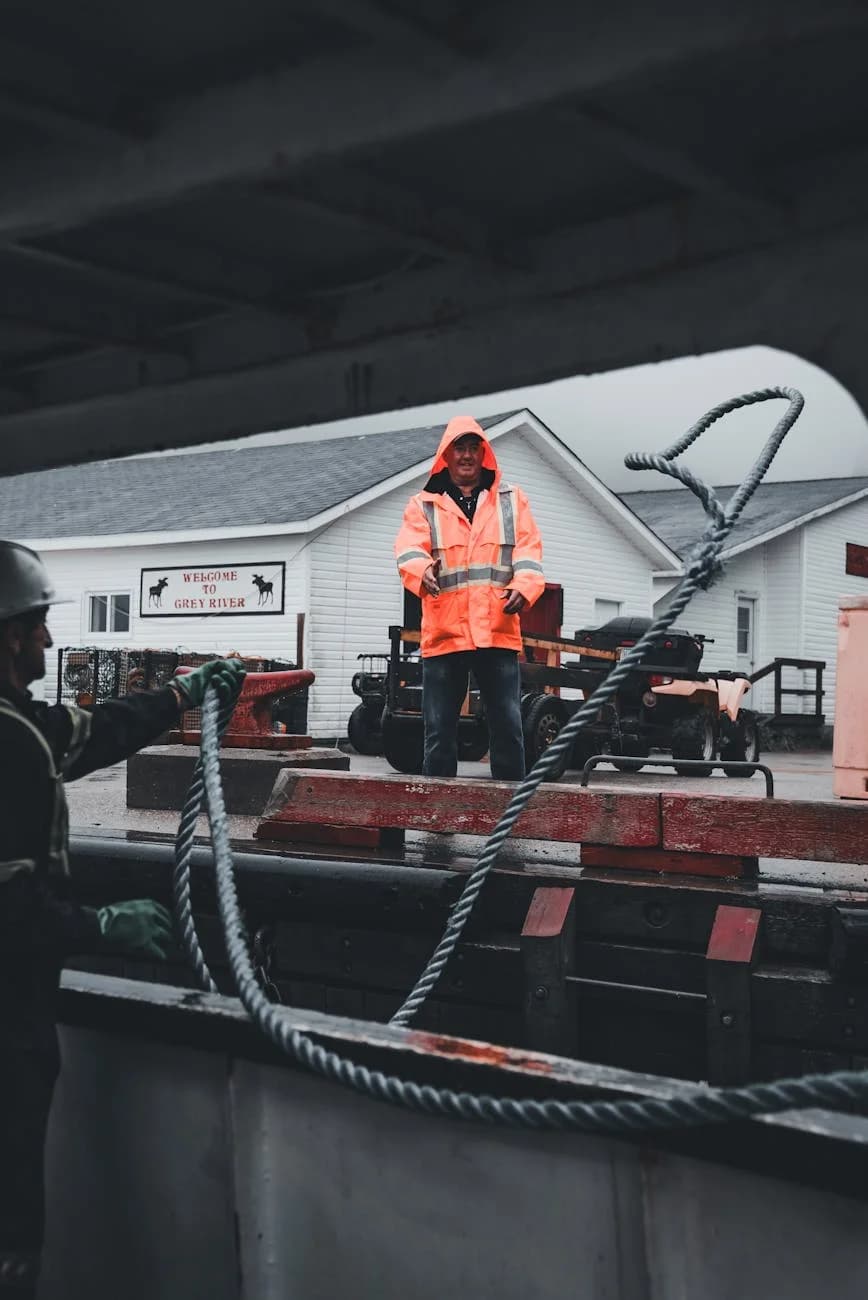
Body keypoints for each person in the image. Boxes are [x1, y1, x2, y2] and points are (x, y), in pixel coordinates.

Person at [0, 540, 245, 1298]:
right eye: (38, 625)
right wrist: (99, 928)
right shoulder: (9, 743)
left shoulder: (22, 727)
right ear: (9, 635)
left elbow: (92, 732)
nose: (49, 640)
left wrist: (181, 694)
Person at [395, 416, 544, 780]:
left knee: (508, 727)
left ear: (483, 453)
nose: (466, 455)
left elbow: (529, 553)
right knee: (438, 731)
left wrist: (524, 587)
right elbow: (409, 550)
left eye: (473, 448)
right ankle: (438, 807)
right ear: (446, 456)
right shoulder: (423, 505)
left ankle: (510, 805)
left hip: (497, 629)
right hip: (445, 633)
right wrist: (421, 570)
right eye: (459, 448)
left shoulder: (512, 500)